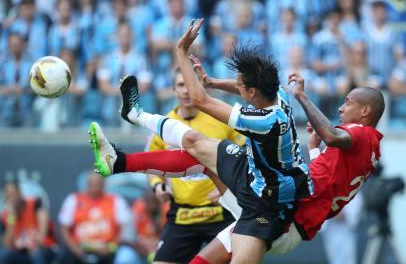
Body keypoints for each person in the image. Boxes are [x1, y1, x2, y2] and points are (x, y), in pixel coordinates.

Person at [91, 70, 385, 264]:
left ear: (366, 111)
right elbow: (327, 174)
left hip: (281, 214)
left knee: (197, 145)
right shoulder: (367, 147)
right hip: (277, 208)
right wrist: (313, 146)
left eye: (347, 102)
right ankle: (122, 153)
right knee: (200, 153)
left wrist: (303, 97)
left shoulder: (358, 132)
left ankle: (132, 126)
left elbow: (332, 135)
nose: (341, 107)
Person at [90, 19, 314, 263]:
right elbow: (239, 87)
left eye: (240, 86)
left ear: (251, 93)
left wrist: (181, 52)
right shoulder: (276, 94)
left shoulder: (264, 120)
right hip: (251, 172)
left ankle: (130, 127)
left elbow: (200, 101)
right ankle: (126, 136)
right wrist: (212, 82)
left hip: (265, 203)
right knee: (194, 141)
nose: (237, 87)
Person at [144, 68, 243, 263]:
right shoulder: (163, 124)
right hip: (183, 214)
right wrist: (157, 184)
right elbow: (150, 158)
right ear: (173, 89)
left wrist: (230, 186)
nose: (187, 90)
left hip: (223, 212)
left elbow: (245, 157)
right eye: (181, 85)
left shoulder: (220, 117)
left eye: (191, 85)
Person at [58, 171, 138, 264]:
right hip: (80, 248)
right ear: (87, 184)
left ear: (103, 184)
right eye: (92, 184)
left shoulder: (115, 200)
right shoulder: (73, 199)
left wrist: (110, 247)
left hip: (106, 248)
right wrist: (75, 249)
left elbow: (124, 228)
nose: (95, 187)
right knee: (63, 256)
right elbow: (64, 228)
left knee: (125, 257)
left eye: (98, 184)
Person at [0, 180, 55, 264]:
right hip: (22, 254)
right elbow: (7, 245)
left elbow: (43, 228)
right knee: (4, 256)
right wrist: (11, 217)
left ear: (20, 193)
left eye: (13, 195)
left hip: (42, 249)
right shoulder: (6, 217)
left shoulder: (35, 203)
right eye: (8, 197)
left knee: (37, 256)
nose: (12, 199)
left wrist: (36, 244)